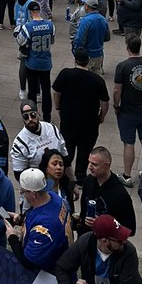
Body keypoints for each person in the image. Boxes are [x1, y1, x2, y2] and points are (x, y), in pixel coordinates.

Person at [55, 213, 142, 284]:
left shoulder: (128, 252)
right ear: (104, 240)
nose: (124, 241)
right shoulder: (85, 243)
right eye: (119, 239)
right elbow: (62, 267)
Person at [51, 47, 109, 184]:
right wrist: (102, 116)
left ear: (75, 60)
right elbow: (105, 102)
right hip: (89, 123)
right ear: (88, 61)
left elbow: (56, 92)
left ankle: (65, 174)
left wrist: (58, 107)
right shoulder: (96, 80)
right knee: (85, 150)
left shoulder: (65, 74)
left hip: (69, 120)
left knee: (67, 149)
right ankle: (81, 176)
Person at [113, 33, 142, 186]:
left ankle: (126, 175)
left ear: (127, 48)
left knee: (128, 143)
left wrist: (116, 106)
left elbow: (117, 90)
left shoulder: (122, 66)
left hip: (127, 110)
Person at [5, 167, 71, 271]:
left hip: (46, 275)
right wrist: (21, 219)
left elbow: (28, 262)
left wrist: (12, 237)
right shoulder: (54, 197)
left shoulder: (45, 227)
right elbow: (36, 213)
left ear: (33, 194)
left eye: (23, 192)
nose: (23, 196)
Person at [77, 145, 137, 235]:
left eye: (94, 164)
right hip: (85, 238)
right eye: (89, 162)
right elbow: (83, 211)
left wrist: (104, 224)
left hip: (105, 242)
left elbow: (130, 229)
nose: (89, 167)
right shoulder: (89, 181)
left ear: (106, 166)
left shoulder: (120, 194)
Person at [15, 1, 55, 120]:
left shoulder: (28, 27)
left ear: (30, 12)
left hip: (32, 63)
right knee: (46, 90)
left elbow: (21, 41)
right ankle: (47, 116)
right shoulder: (50, 25)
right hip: (46, 63)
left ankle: (33, 115)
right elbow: (52, 41)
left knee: (32, 91)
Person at [10, 100, 68, 179]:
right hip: (38, 185)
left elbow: (65, 156)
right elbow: (19, 175)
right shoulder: (20, 143)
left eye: (33, 115)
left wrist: (72, 181)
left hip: (59, 180)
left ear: (38, 113)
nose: (30, 119)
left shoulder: (52, 129)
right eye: (26, 116)